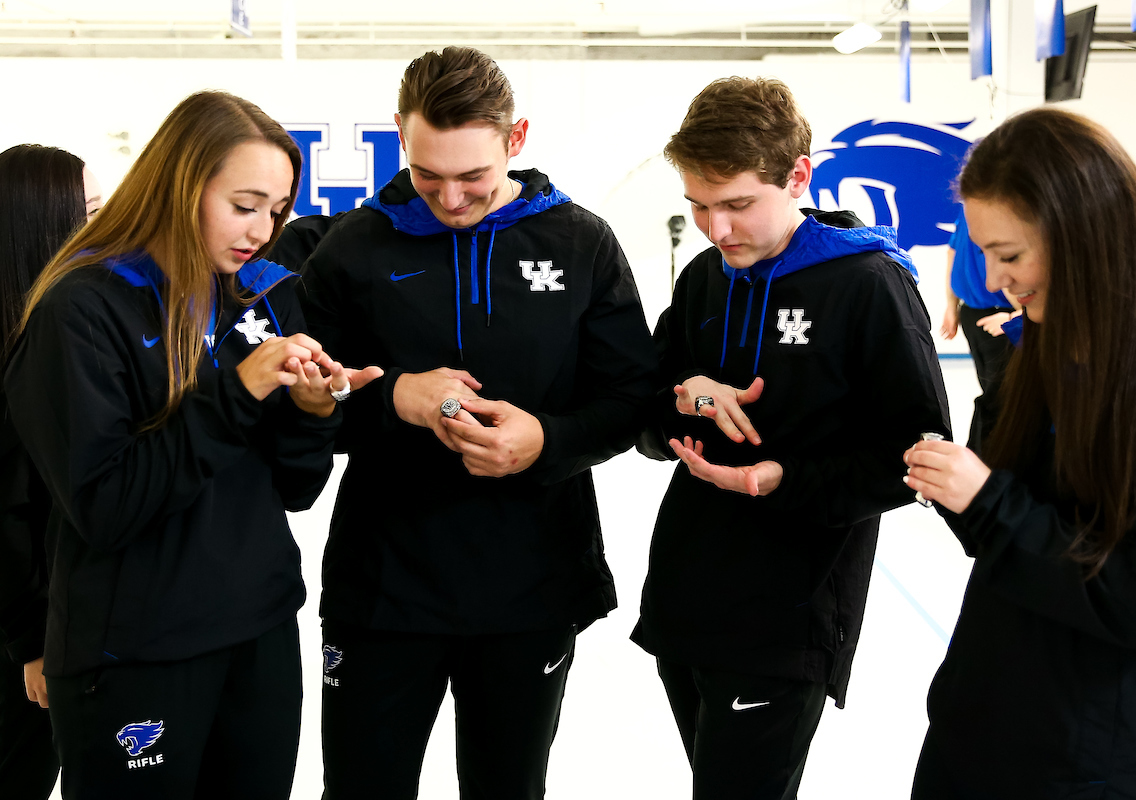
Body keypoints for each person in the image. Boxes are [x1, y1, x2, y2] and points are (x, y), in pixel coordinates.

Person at [296, 46, 657, 799]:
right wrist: (395, 396)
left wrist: (546, 441)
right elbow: (306, 410)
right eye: (428, 174)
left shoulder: (581, 242)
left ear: (516, 139)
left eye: (473, 176)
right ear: (402, 134)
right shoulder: (353, 248)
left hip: (533, 583)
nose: (451, 198)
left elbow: (629, 399)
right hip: (384, 585)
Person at [4, 91, 379, 800]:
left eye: (277, 211)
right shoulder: (81, 308)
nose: (262, 232)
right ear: (180, 185)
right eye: (244, 206)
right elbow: (106, 506)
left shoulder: (267, 295)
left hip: (259, 633)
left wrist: (313, 412)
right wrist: (236, 393)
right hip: (133, 652)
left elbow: (294, 489)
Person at [633, 76, 951, 799]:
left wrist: (786, 479)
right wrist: (685, 394)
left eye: (738, 204)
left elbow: (919, 455)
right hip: (687, 595)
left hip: (791, 611)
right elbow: (643, 421)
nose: (717, 229)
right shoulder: (704, 280)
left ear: (798, 176)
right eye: (699, 205)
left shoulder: (868, 283)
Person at [904, 107, 1136, 799]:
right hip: (985, 723)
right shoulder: (1048, 337)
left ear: (1085, 233)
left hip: (1092, 761)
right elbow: (999, 534)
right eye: (983, 253)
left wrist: (989, 501)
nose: (992, 279)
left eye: (1009, 256)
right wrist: (955, 486)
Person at [0, 143, 98, 799]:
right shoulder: (23, 352)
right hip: (22, 645)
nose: (107, 227)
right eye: (89, 212)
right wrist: (33, 643)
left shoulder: (53, 329)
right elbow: (7, 518)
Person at [939, 203, 1016, 451]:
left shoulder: (1003, 209)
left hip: (1002, 316)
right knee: (992, 391)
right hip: (975, 313)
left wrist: (1017, 315)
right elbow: (953, 252)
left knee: (999, 397)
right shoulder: (969, 209)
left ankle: (985, 456)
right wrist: (952, 306)